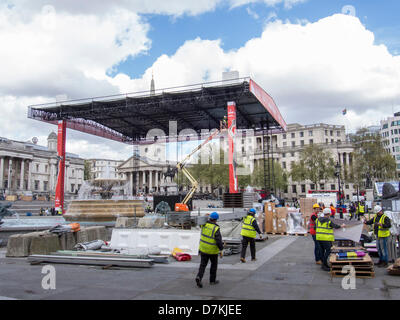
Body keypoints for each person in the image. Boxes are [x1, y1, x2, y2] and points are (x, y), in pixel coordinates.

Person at [195, 212, 224, 288]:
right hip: (212, 251)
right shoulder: (216, 228)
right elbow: (218, 241)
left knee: (203, 265)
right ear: (216, 220)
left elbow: (200, 220)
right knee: (214, 265)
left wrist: (205, 216)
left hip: (203, 249)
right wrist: (221, 249)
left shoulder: (204, 225)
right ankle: (212, 281)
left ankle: (199, 277)